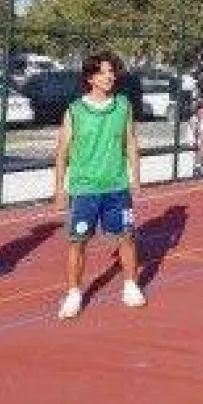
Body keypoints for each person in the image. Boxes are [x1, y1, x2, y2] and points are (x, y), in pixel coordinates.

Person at [54, 51, 146, 319]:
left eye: (112, 71)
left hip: (117, 186)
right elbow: (62, 152)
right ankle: (73, 294)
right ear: (90, 77)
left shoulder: (123, 105)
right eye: (104, 72)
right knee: (78, 243)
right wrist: (60, 189)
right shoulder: (75, 110)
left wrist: (136, 177)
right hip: (84, 189)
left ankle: (131, 285)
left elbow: (130, 142)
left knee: (127, 237)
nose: (110, 76)